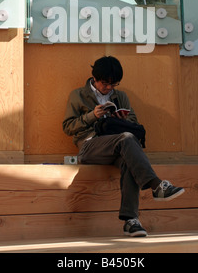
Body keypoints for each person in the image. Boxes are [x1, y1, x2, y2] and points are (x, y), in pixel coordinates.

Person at [63, 55, 185, 237]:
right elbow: (68, 127)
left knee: (129, 159)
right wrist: (92, 116)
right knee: (126, 138)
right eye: (105, 83)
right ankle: (157, 186)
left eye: (114, 84)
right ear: (94, 78)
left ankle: (131, 221)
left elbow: (134, 122)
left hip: (117, 145)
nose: (109, 88)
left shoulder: (120, 96)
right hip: (90, 146)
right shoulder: (78, 95)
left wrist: (122, 119)